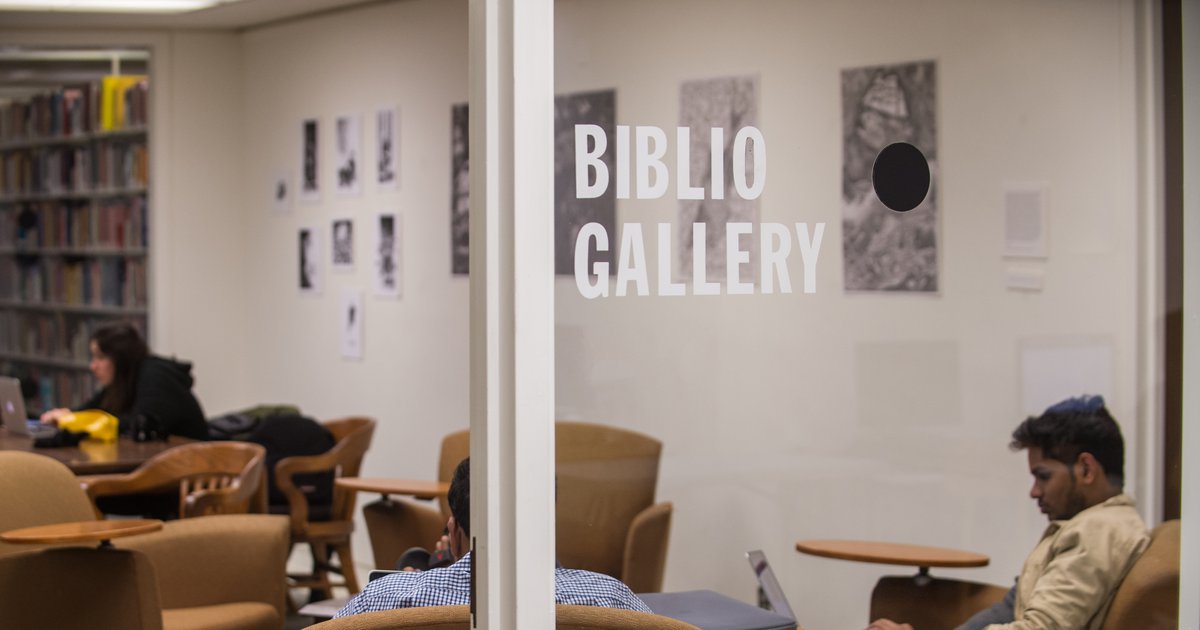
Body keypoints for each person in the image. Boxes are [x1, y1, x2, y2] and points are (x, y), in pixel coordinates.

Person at [867, 395, 1149, 630]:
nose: (1034, 492)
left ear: (1086, 469)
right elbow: (1011, 607)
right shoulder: (1092, 525)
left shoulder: (1097, 532)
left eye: (1043, 476)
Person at [335, 457, 652, 617]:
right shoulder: (608, 599)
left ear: (455, 530)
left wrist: (417, 580)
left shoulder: (384, 600)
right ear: (546, 526)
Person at [40, 322, 208, 441]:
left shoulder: (155, 376)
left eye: (101, 357)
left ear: (121, 359)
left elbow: (139, 424)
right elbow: (94, 409)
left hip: (191, 473)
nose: (93, 366)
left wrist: (76, 421)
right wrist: (68, 415)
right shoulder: (123, 381)